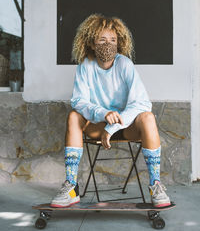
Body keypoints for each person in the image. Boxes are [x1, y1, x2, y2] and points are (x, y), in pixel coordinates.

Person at [51, 14, 171, 208]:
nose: (108, 44)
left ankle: (155, 184)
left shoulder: (125, 64)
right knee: (74, 116)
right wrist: (103, 114)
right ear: (91, 42)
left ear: (119, 42)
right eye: (103, 40)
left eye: (113, 40)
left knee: (148, 117)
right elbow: (79, 102)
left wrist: (113, 126)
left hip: (124, 126)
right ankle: (71, 187)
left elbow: (142, 103)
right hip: (97, 125)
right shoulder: (85, 65)